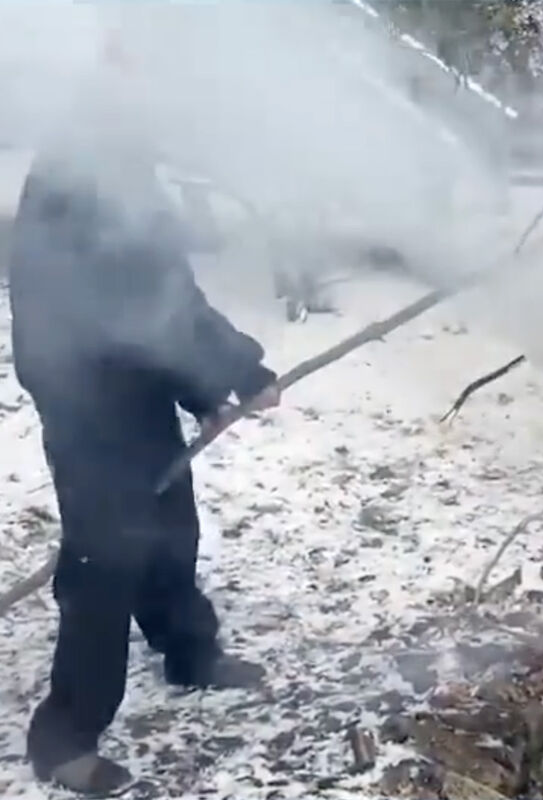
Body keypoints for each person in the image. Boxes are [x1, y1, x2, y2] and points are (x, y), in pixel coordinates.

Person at [10, 106, 281, 794]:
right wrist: (232, 372)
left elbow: (165, 296)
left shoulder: (121, 164)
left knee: (169, 524)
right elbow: (144, 300)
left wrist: (206, 389)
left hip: (131, 380)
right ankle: (64, 738)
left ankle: (187, 651)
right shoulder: (81, 179)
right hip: (84, 393)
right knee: (104, 557)